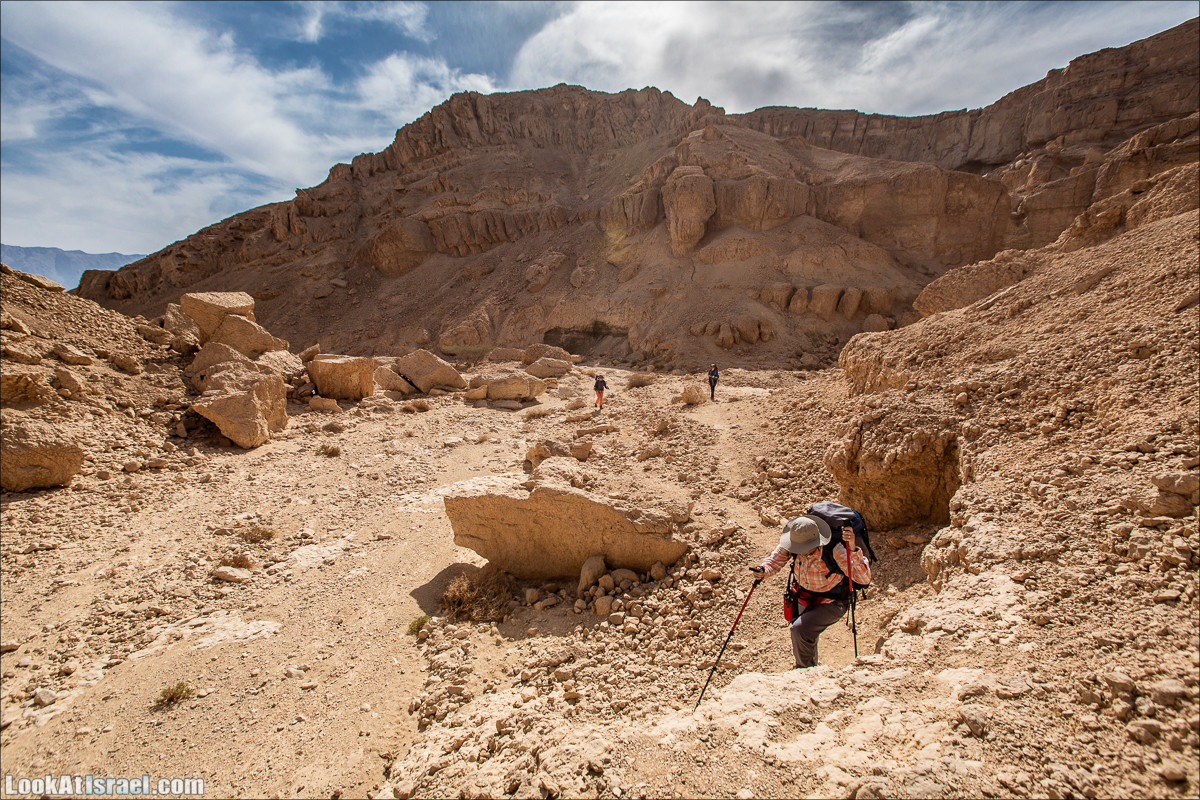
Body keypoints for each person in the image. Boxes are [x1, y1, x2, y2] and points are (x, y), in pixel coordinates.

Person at [749, 514, 870, 668]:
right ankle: (809, 667)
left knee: (800, 630)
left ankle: (805, 671)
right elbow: (775, 560)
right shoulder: (795, 541)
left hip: (832, 601)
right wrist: (763, 570)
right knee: (804, 635)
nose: (800, 552)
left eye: (805, 549)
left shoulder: (835, 549)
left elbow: (863, 578)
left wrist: (852, 550)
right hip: (803, 595)